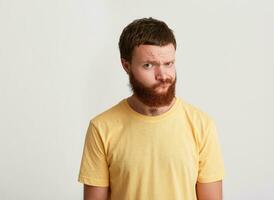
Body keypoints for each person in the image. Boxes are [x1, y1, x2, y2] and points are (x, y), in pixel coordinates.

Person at [78, 17, 225, 200]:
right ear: (126, 66)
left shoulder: (202, 125)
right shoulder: (101, 128)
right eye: (149, 65)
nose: (163, 75)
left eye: (168, 63)